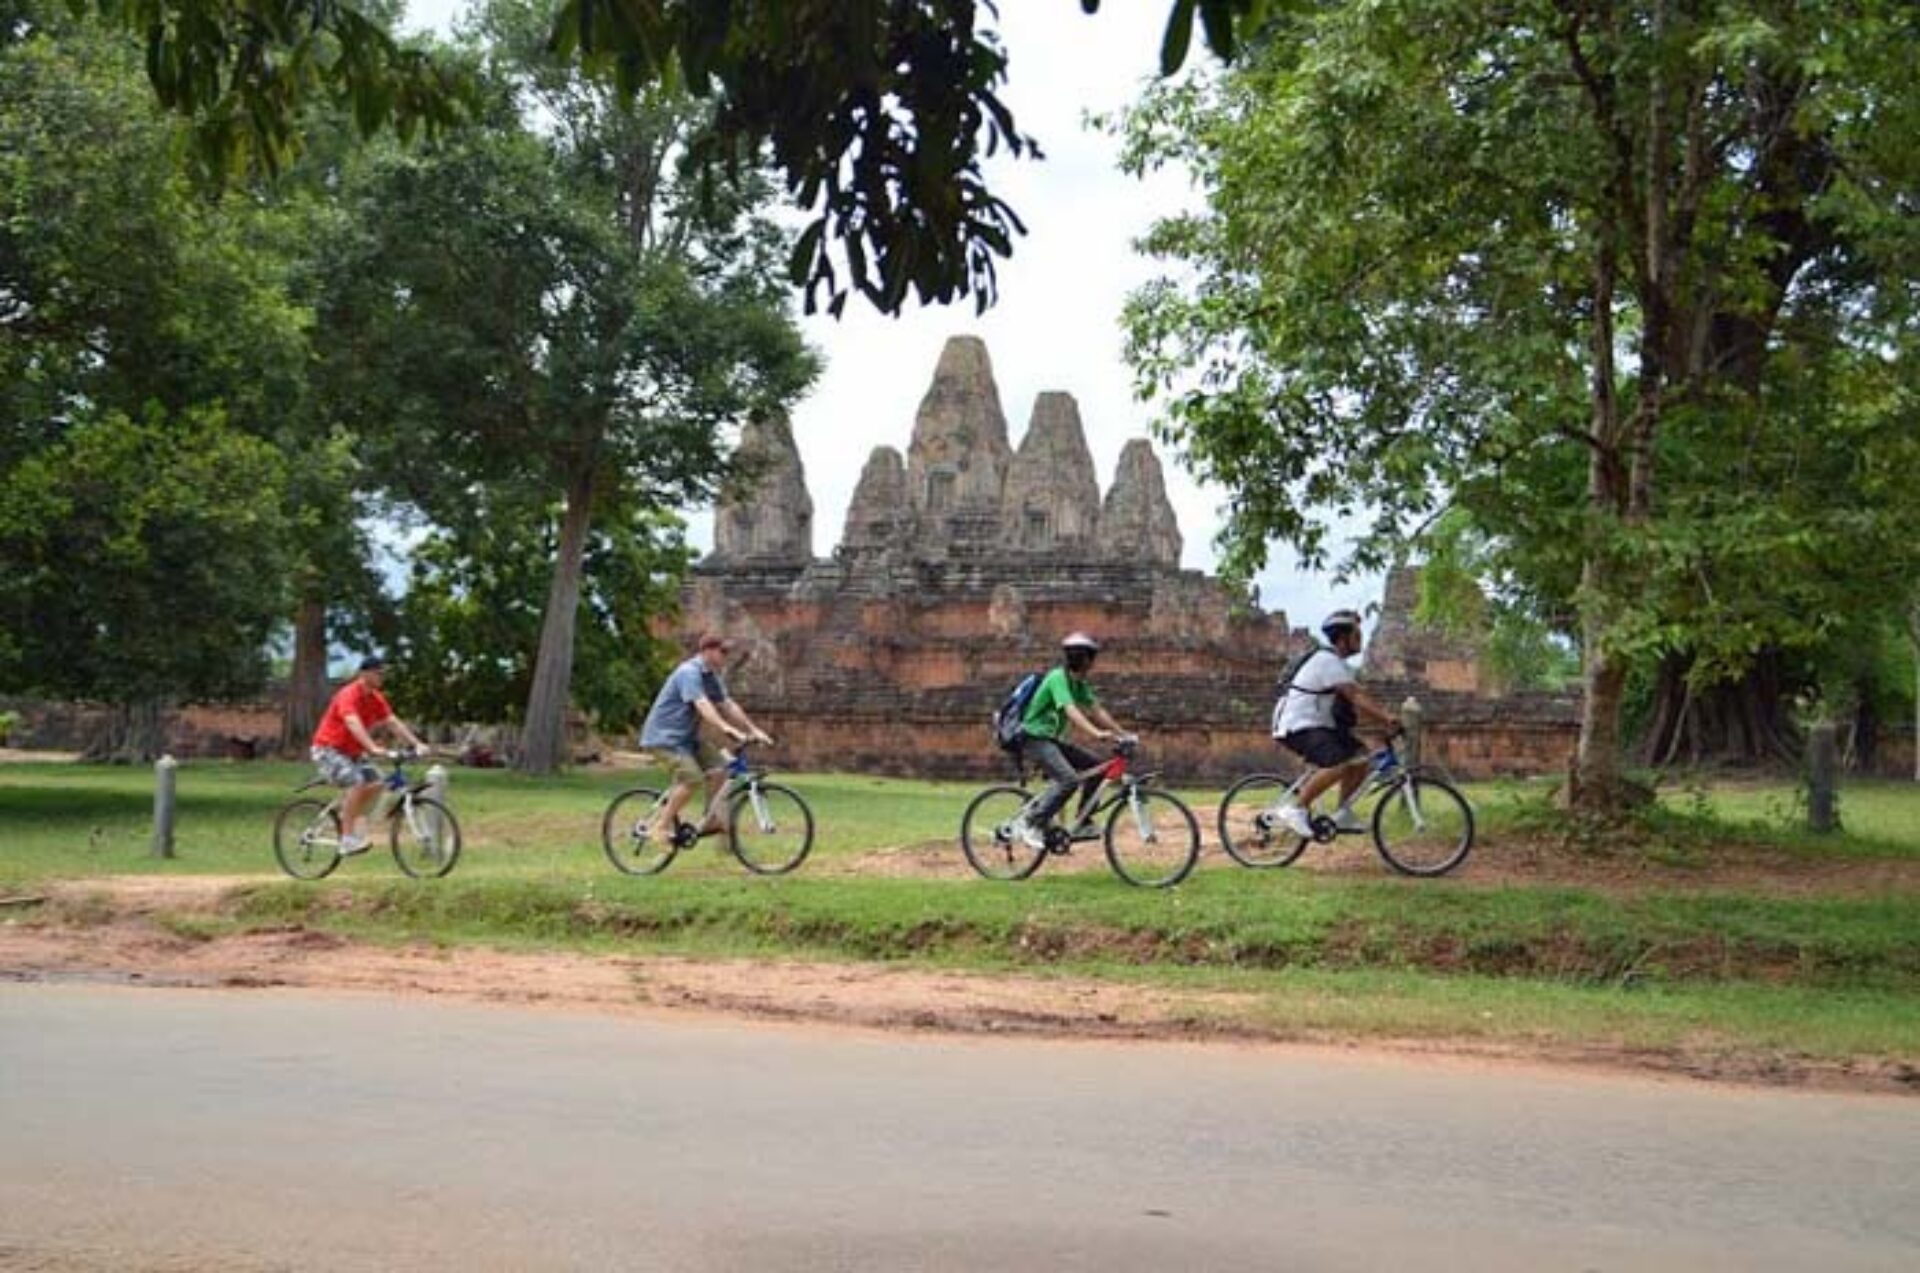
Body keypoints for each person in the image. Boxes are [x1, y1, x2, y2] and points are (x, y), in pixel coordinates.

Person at [1270, 609, 1399, 838]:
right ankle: (1296, 809)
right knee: (1338, 763)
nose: (1360, 640)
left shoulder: (1339, 666)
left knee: (1360, 757)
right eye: (1356, 635)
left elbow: (1354, 704)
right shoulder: (1327, 661)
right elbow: (1356, 696)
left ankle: (1343, 812)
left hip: (1320, 725)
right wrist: (1387, 717)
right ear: (1342, 638)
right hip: (1298, 725)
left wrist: (1382, 722)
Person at [637, 633, 774, 841]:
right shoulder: (688, 672)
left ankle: (711, 820)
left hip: (686, 740)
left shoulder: (710, 677)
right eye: (723, 651)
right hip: (664, 739)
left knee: (721, 769)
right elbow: (701, 704)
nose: (726, 656)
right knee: (692, 779)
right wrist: (725, 727)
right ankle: (660, 827)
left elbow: (727, 704)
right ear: (708, 651)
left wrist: (753, 729)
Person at [1008, 632, 1135, 850]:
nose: (1090, 662)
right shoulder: (1057, 678)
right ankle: (1032, 822)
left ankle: (1084, 821)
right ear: (1086, 660)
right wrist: (1096, 733)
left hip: (1051, 740)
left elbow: (1097, 711)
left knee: (1098, 768)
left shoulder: (1079, 685)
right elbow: (1070, 709)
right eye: (1089, 657)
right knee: (1068, 780)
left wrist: (1122, 733)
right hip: (1034, 738)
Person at [310, 656, 428, 856]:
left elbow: (392, 722)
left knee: (379, 782)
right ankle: (347, 840)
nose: (382, 677)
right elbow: (352, 723)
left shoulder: (375, 698)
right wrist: (372, 747)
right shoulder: (348, 695)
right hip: (328, 750)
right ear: (363, 674)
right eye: (378, 673)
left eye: (383, 673)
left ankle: (349, 814)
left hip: (353, 753)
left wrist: (416, 743)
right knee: (357, 783)